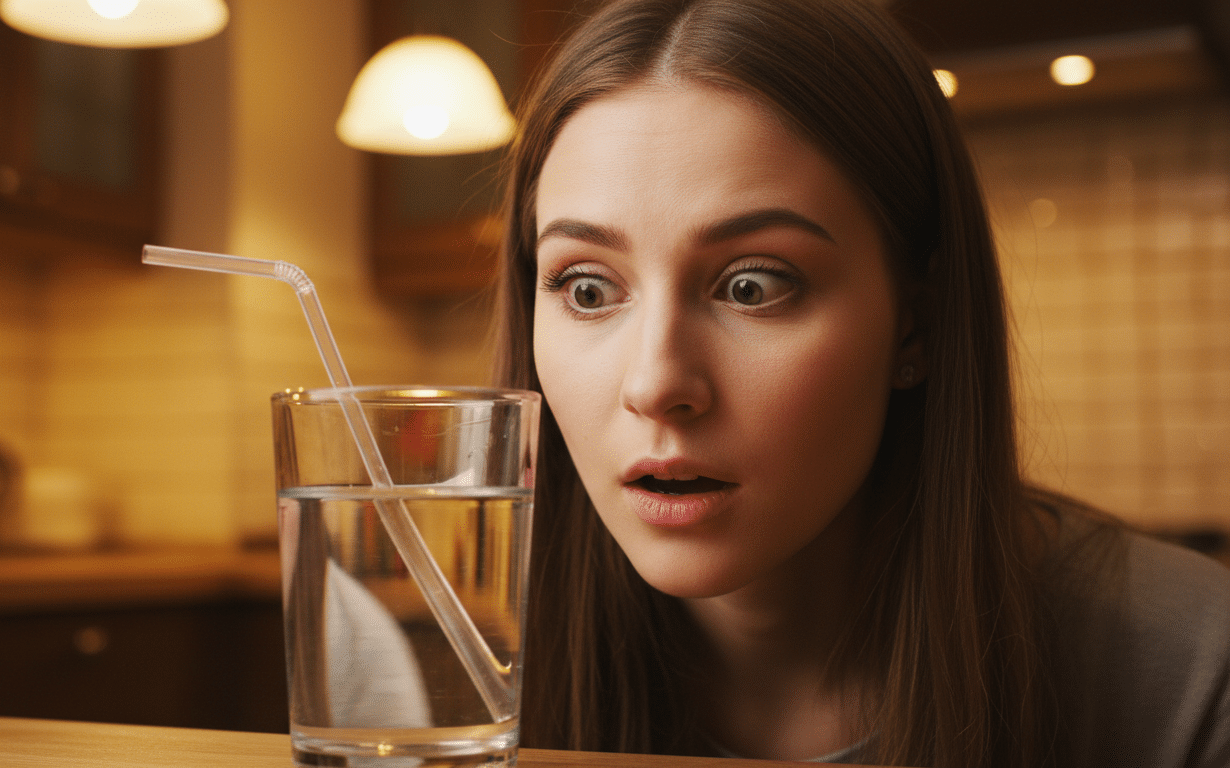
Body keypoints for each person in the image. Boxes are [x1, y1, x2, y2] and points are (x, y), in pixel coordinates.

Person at [489, 0, 1230, 766]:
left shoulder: (1189, 677)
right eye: (586, 290)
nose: (655, 384)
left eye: (751, 287)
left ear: (918, 323)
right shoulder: (452, 677)